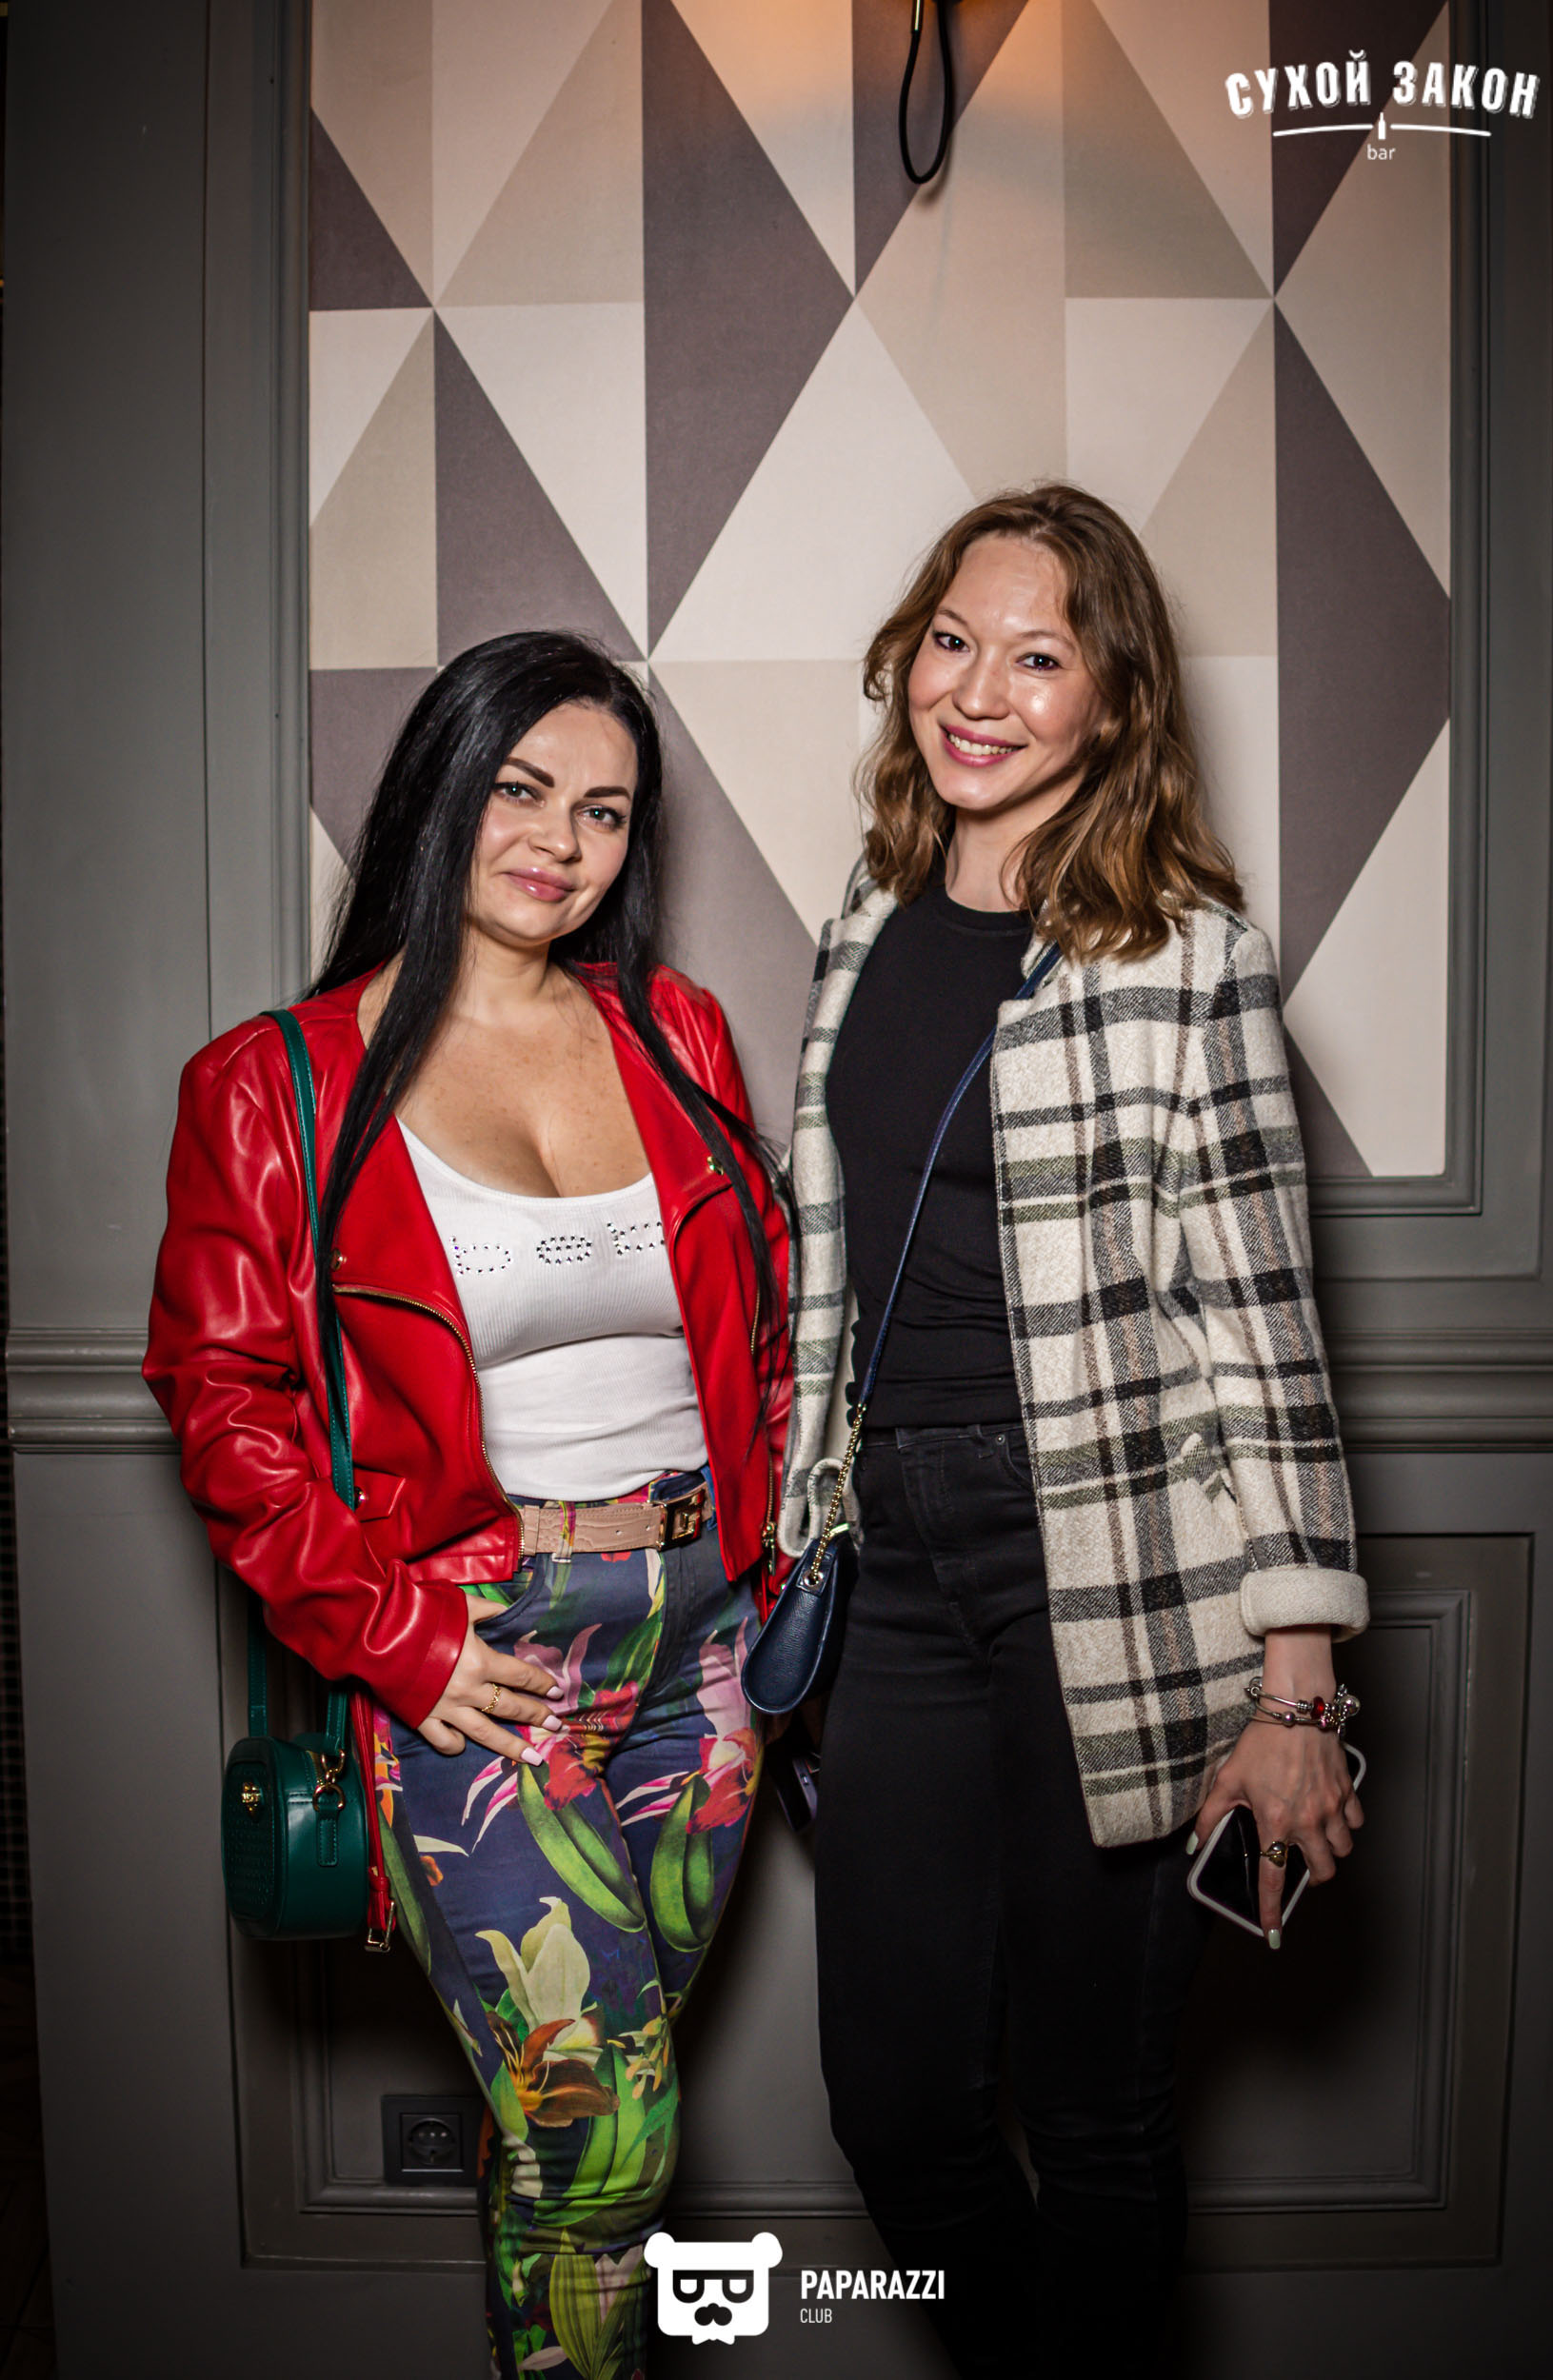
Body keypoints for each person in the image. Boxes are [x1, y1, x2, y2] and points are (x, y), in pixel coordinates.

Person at [146, 632, 788, 2380]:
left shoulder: (674, 1032)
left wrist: (782, 1575)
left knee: (574, 2126)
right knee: (611, 2143)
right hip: (486, 1662)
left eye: (605, 811)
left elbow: (761, 1332)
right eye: (521, 788)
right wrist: (399, 1639)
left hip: (707, 1652)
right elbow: (223, 1406)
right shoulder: (272, 1085)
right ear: (442, 784)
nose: (561, 843)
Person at [777, 486, 1367, 2377]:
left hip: (1100, 1566)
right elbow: (830, 1265)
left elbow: (1265, 1326)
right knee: (897, 2108)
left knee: (1097, 2112)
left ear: (1115, 699)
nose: (980, 691)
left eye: (1039, 657)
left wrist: (1297, 1697)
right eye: (954, 640)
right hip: (893, 1570)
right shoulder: (865, 919)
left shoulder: (1188, 952)